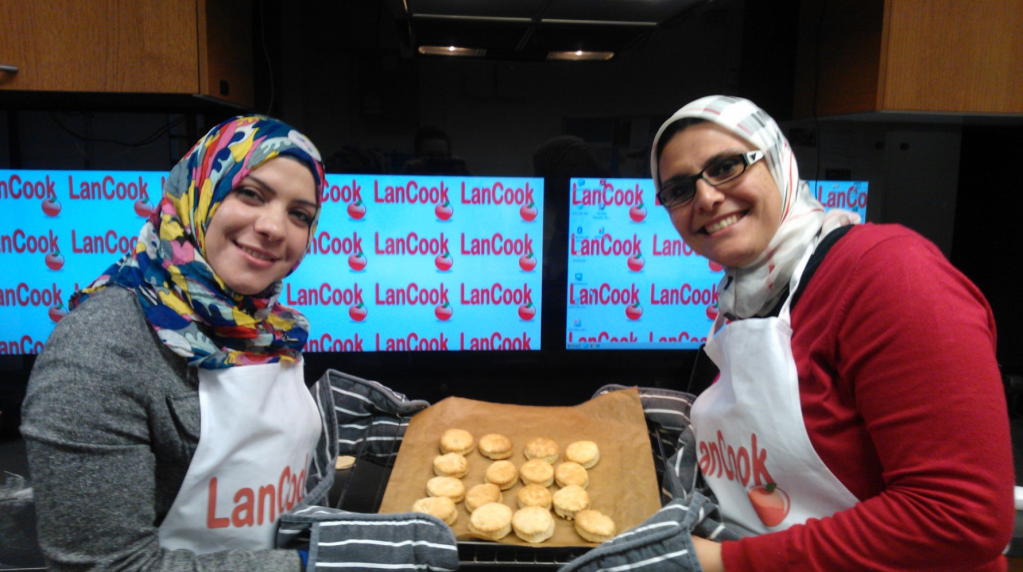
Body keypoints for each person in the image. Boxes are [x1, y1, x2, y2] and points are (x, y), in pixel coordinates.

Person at [563, 96, 1014, 572]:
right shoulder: (751, 296)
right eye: (678, 189)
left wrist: (721, 560)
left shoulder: (888, 273)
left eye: (727, 166)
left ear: (779, 160)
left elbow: (962, 515)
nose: (706, 198)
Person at [21, 116, 456, 572]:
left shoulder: (262, 325)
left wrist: (353, 431)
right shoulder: (99, 349)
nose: (274, 227)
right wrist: (312, 564)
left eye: (300, 214)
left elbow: (260, 463)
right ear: (199, 192)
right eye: (251, 193)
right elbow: (109, 565)